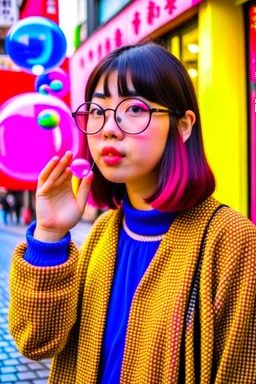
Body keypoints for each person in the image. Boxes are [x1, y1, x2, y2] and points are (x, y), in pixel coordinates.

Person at [9, 41, 256, 384]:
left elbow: (240, 370)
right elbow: (36, 342)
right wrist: (49, 234)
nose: (109, 127)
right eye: (97, 111)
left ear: (183, 126)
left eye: (135, 108)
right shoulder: (102, 233)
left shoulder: (231, 239)